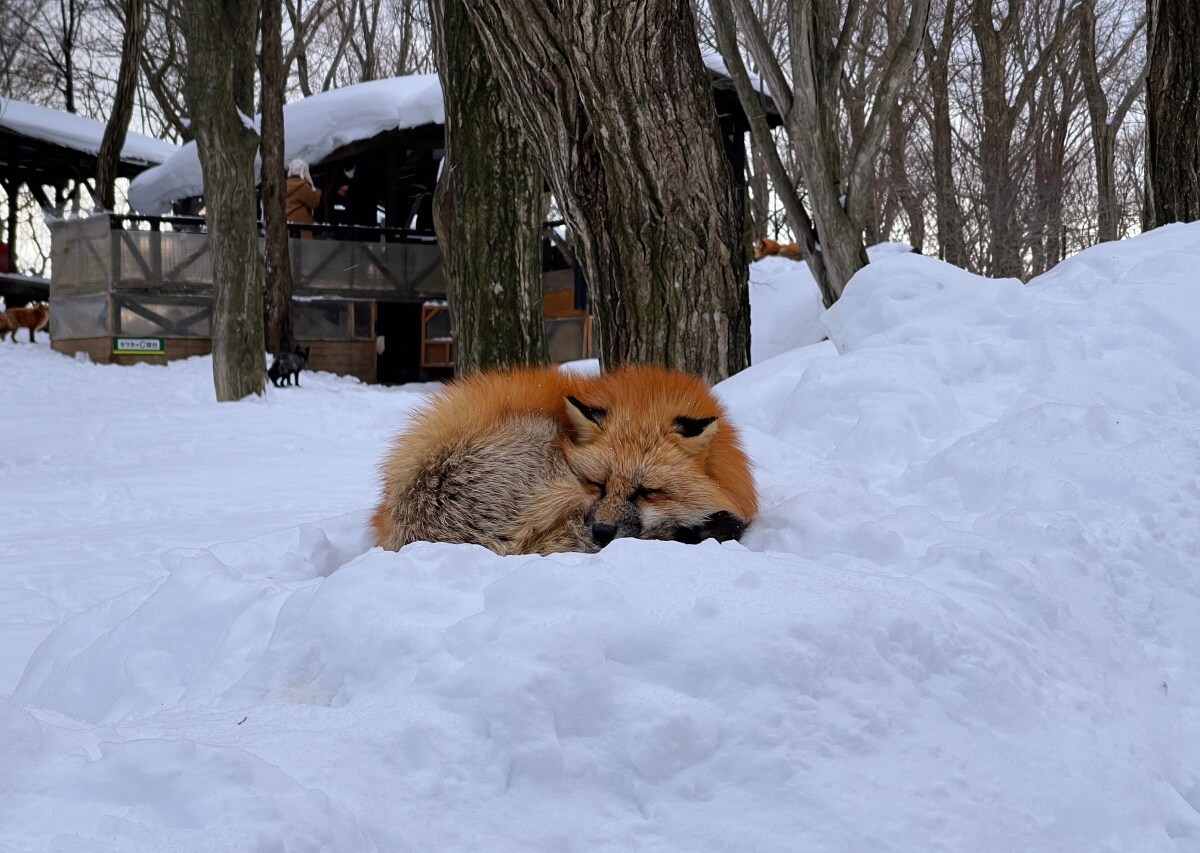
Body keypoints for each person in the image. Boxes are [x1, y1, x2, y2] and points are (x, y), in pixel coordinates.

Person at [285, 159, 323, 238]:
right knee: (303, 249)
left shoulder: (284, 185)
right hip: (301, 226)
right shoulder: (303, 186)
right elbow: (313, 203)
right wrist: (317, 191)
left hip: (286, 223)